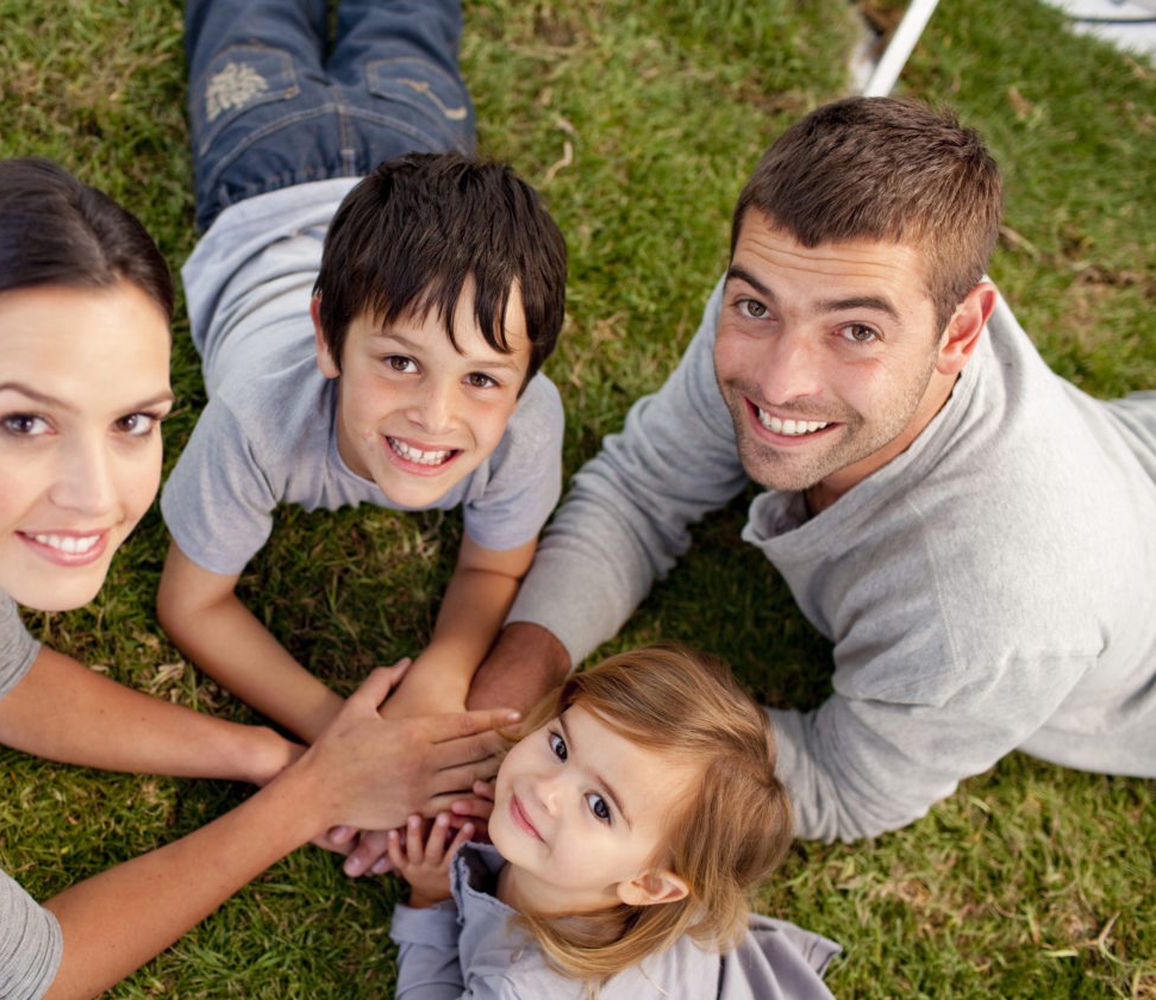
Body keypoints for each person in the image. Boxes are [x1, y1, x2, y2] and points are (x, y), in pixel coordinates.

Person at [0, 157, 519, 1000]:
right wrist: (308, 800)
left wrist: (273, 757)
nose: (95, 496)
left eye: (132, 421)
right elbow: (25, 975)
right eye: (25, 421)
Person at [466, 97, 1156, 844]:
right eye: (754, 306)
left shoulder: (992, 611)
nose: (782, 379)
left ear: (960, 332)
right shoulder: (791, 283)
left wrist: (588, 742)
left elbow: (842, 784)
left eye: (856, 331)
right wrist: (496, 710)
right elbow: (639, 491)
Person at [156, 0, 567, 872]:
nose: (436, 415)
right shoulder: (258, 418)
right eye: (400, 363)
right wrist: (339, 731)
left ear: (523, 382)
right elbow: (190, 601)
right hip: (264, 170)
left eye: (483, 378)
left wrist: (443, 673)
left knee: (408, 21)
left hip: (405, 163)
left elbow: (495, 566)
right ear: (326, 337)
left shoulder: (528, 427)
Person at [389, 645, 840, 998]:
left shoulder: (522, 988)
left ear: (648, 886)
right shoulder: (619, 866)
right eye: (561, 748)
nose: (544, 791)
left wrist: (432, 904)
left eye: (599, 806)